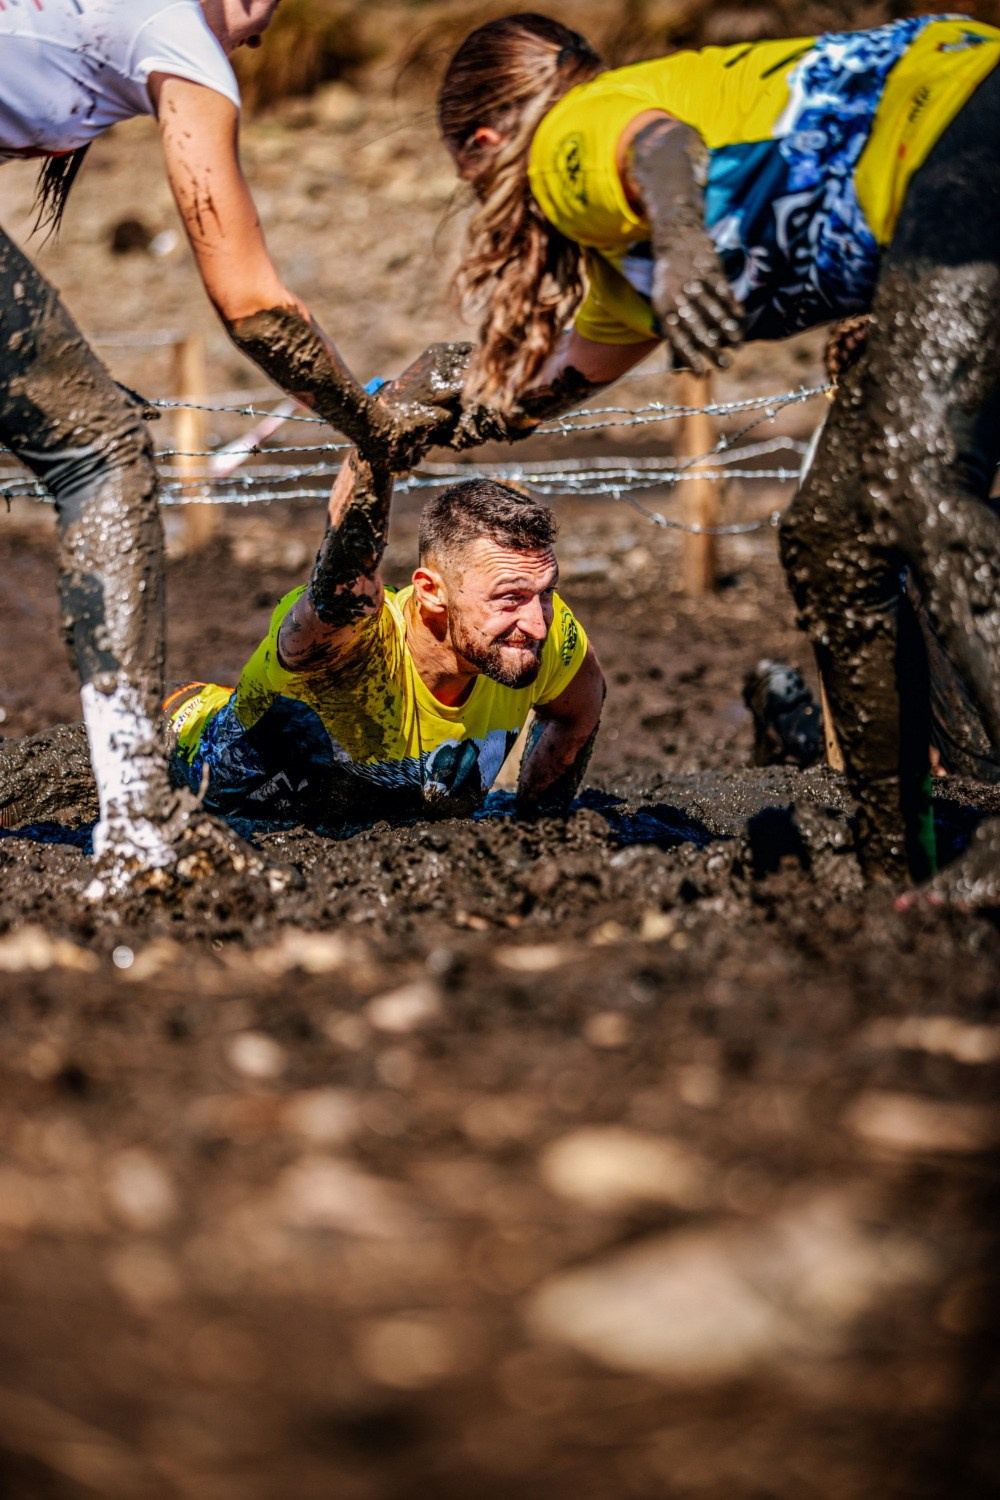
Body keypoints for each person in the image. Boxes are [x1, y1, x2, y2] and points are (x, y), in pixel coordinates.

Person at [425, 11, 1000, 901]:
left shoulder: (568, 135)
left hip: (960, 131)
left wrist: (689, 244)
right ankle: (903, 873)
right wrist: (417, 420)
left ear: (486, 144)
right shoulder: (624, 277)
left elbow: (660, 148)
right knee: (832, 537)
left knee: (919, 483)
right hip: (945, 182)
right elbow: (551, 383)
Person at [0, 0, 411, 897]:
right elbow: (254, 307)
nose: (259, 36)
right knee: (97, 454)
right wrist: (365, 422)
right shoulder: (173, 30)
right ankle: (139, 823)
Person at [164, 455, 606, 834]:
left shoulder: (537, 635)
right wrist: (375, 448)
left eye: (546, 592)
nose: (537, 624)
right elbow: (337, 590)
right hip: (178, 755)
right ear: (432, 592)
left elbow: (579, 709)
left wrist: (539, 825)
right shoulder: (355, 638)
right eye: (509, 597)